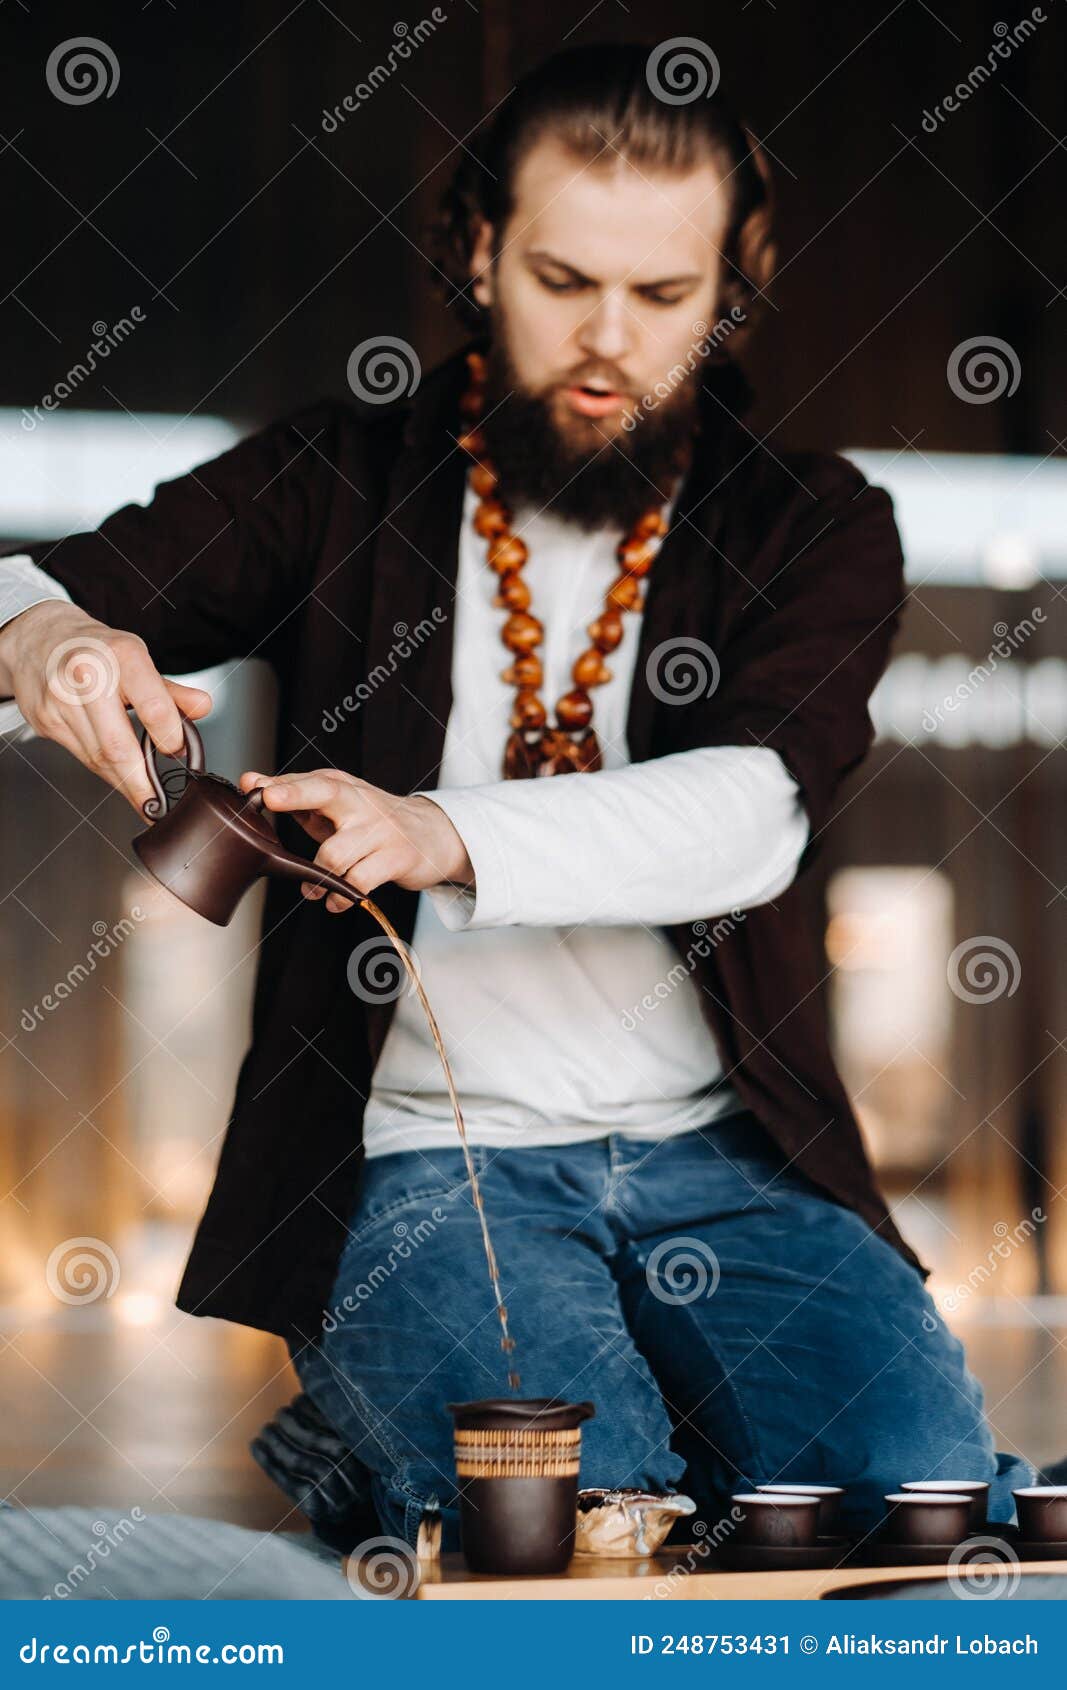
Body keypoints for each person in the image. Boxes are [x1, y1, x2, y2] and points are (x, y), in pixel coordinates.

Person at [0, 43, 1031, 1555]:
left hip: (726, 1156)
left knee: (915, 1512)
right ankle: (407, 1463)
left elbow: (748, 814)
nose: (609, 341)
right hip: (428, 1158)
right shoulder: (333, 482)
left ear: (734, 284)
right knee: (583, 1530)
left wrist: (441, 827)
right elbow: (34, 593)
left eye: (664, 297)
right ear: (480, 252)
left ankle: (407, 1471)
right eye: (563, 280)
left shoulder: (812, 522)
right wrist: (48, 637)